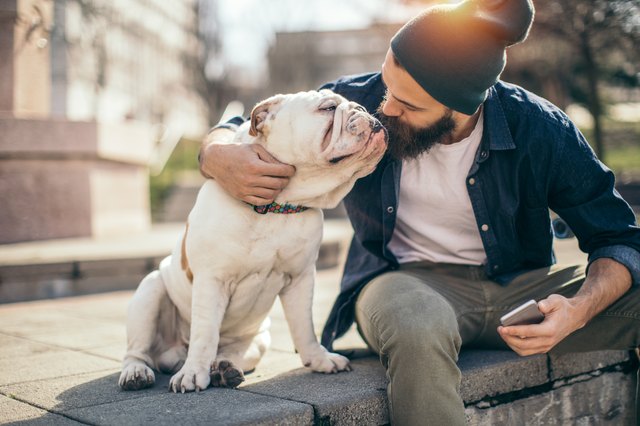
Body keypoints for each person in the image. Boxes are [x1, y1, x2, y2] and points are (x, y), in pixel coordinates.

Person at [198, 0, 640, 424]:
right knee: (416, 322)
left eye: (408, 105)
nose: (386, 109)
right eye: (389, 89)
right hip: (406, 282)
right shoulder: (352, 102)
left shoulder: (541, 128)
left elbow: (618, 237)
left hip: (522, 290)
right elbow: (244, 127)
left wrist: (580, 308)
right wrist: (215, 154)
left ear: (463, 107)